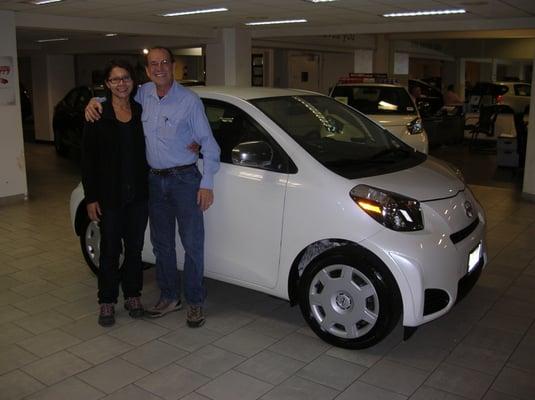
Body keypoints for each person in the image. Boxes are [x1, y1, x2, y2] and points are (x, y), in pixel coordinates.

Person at [86, 47, 220, 328]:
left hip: (184, 180)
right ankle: (170, 296)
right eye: (153, 64)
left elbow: (209, 145)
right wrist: (94, 100)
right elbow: (114, 96)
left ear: (173, 66)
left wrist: (206, 183)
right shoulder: (142, 94)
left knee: (192, 245)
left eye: (164, 63)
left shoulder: (189, 101)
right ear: (146, 71)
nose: (159, 68)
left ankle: (195, 302)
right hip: (154, 182)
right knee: (162, 246)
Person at [82, 59, 148, 327]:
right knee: (110, 250)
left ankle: (132, 295)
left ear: (133, 82)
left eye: (126, 79)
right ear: (107, 84)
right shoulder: (97, 114)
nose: (122, 84)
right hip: (109, 196)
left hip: (139, 195)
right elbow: (88, 161)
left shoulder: (141, 110)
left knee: (135, 249)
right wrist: (91, 198)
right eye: (115, 79)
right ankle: (107, 300)